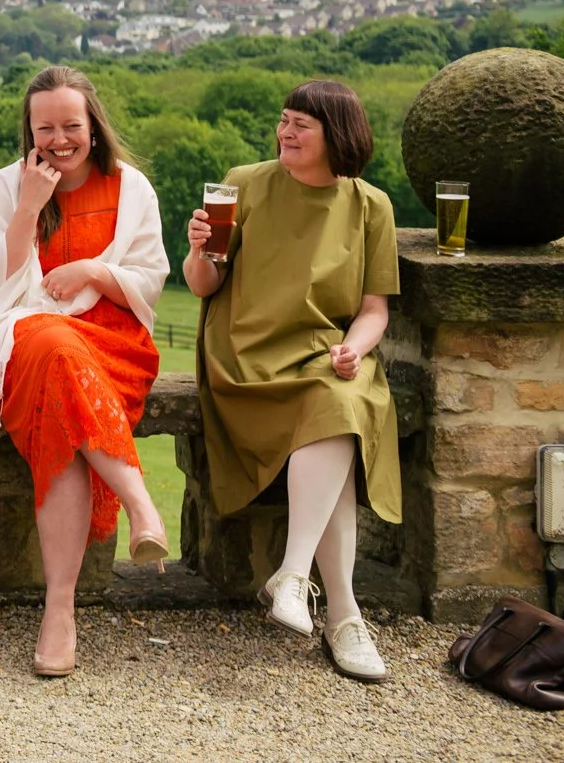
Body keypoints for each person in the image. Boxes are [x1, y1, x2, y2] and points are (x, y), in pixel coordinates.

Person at [0, 67, 170, 678]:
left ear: (92, 126)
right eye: (44, 126)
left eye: (70, 125)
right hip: (27, 336)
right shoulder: (5, 186)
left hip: (113, 343)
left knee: (65, 420)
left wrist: (95, 274)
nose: (58, 138)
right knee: (51, 344)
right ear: (29, 129)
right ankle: (140, 506)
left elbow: (151, 277)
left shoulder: (132, 188)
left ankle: (60, 612)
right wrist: (29, 206)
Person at [186, 79, 399, 683]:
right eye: (283, 120)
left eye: (302, 124)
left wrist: (353, 350)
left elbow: (374, 310)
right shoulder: (245, 183)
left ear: (340, 136)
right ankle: (341, 613)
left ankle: (301, 582)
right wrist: (203, 251)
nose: (286, 132)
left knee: (339, 399)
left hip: (324, 354)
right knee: (334, 410)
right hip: (245, 351)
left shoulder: (371, 206)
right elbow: (204, 285)